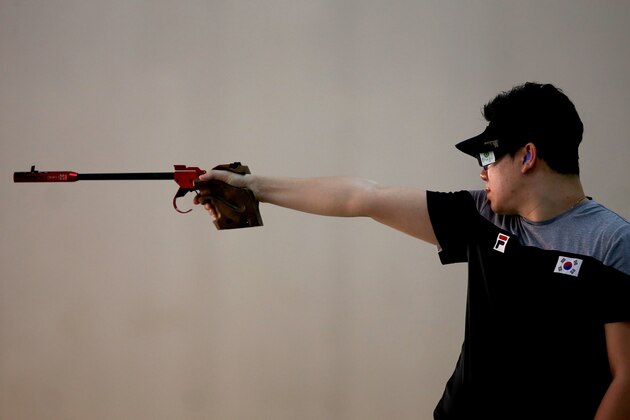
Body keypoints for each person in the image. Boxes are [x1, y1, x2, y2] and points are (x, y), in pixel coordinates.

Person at [194, 82, 630, 419]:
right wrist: (252, 188)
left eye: (487, 156)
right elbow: (361, 197)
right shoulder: (479, 216)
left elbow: (625, 377)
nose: (481, 172)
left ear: (528, 155)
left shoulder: (611, 242)